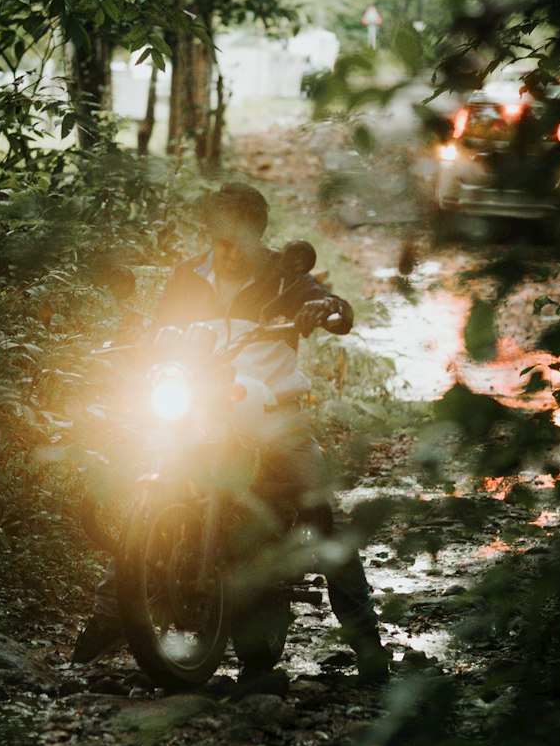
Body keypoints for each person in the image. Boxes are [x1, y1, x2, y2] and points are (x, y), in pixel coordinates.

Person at [72, 182, 390, 685]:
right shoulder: (187, 276)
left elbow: (337, 310)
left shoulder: (285, 276)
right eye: (221, 243)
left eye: (240, 245)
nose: (230, 255)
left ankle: (368, 645)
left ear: (259, 238)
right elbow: (161, 333)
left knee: (321, 512)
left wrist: (326, 311)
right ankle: (114, 612)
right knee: (148, 484)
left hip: (272, 416)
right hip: (201, 408)